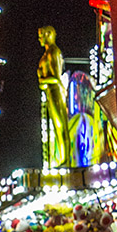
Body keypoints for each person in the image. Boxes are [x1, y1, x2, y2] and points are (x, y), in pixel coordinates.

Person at [37, 25, 70, 167]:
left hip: (55, 90)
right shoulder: (46, 54)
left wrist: (42, 80)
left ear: (48, 34)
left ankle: (65, 159)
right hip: (50, 92)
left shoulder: (53, 52)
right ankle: (61, 158)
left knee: (60, 125)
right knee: (56, 126)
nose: (39, 38)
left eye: (41, 35)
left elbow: (56, 77)